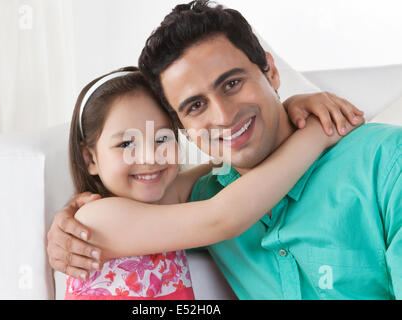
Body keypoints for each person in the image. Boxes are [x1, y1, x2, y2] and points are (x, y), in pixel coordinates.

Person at [50, 0, 401, 299]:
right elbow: (219, 215)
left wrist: (302, 116)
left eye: (232, 83)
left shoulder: (384, 163)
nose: (223, 116)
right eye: (195, 106)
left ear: (271, 71)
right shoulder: (206, 199)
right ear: (184, 127)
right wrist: (313, 132)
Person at [62, 66, 360, 299]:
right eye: (127, 143)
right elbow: (224, 217)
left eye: (163, 138)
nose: (150, 157)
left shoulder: (166, 195)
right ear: (90, 159)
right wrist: (318, 134)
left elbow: (234, 161)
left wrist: (290, 110)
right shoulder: (95, 218)